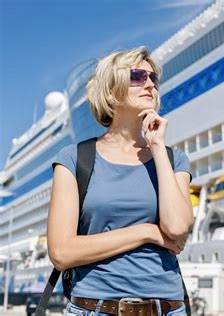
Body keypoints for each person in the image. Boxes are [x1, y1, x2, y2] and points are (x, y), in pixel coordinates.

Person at [47, 46, 194, 316]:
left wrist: (158, 147)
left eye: (153, 79)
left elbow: (177, 227)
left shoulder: (175, 160)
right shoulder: (75, 158)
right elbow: (61, 251)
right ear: (111, 88)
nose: (150, 84)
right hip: (94, 308)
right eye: (138, 76)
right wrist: (147, 232)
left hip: (167, 308)